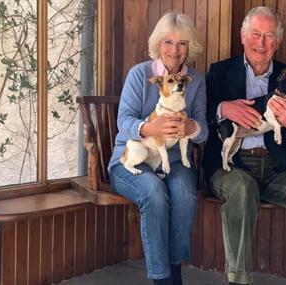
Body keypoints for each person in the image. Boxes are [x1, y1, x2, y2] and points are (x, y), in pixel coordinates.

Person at [203, 6, 286, 285]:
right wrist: (222, 109)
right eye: (255, 34)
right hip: (234, 166)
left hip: (280, 168)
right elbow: (197, 120)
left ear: (278, 41)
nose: (261, 43)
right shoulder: (219, 72)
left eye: (269, 36)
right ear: (242, 37)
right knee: (241, 188)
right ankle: (239, 280)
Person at [108, 12, 208, 285]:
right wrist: (149, 129)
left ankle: (174, 268)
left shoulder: (196, 80)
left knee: (185, 194)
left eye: (182, 43)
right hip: (131, 159)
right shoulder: (140, 75)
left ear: (190, 47)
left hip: (174, 161)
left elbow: (204, 129)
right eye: (168, 42)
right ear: (158, 45)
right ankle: (162, 278)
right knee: (153, 193)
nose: (175, 51)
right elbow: (123, 120)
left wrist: (192, 129)